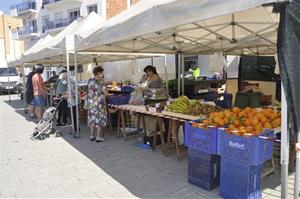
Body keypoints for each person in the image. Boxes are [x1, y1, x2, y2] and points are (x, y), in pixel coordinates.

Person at [87, 66, 107, 142]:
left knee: (92, 119)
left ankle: (92, 136)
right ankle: (98, 137)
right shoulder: (101, 82)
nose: (102, 74)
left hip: (91, 103)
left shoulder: (90, 80)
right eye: (102, 73)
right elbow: (106, 94)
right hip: (99, 104)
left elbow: (88, 91)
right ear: (99, 73)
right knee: (99, 119)